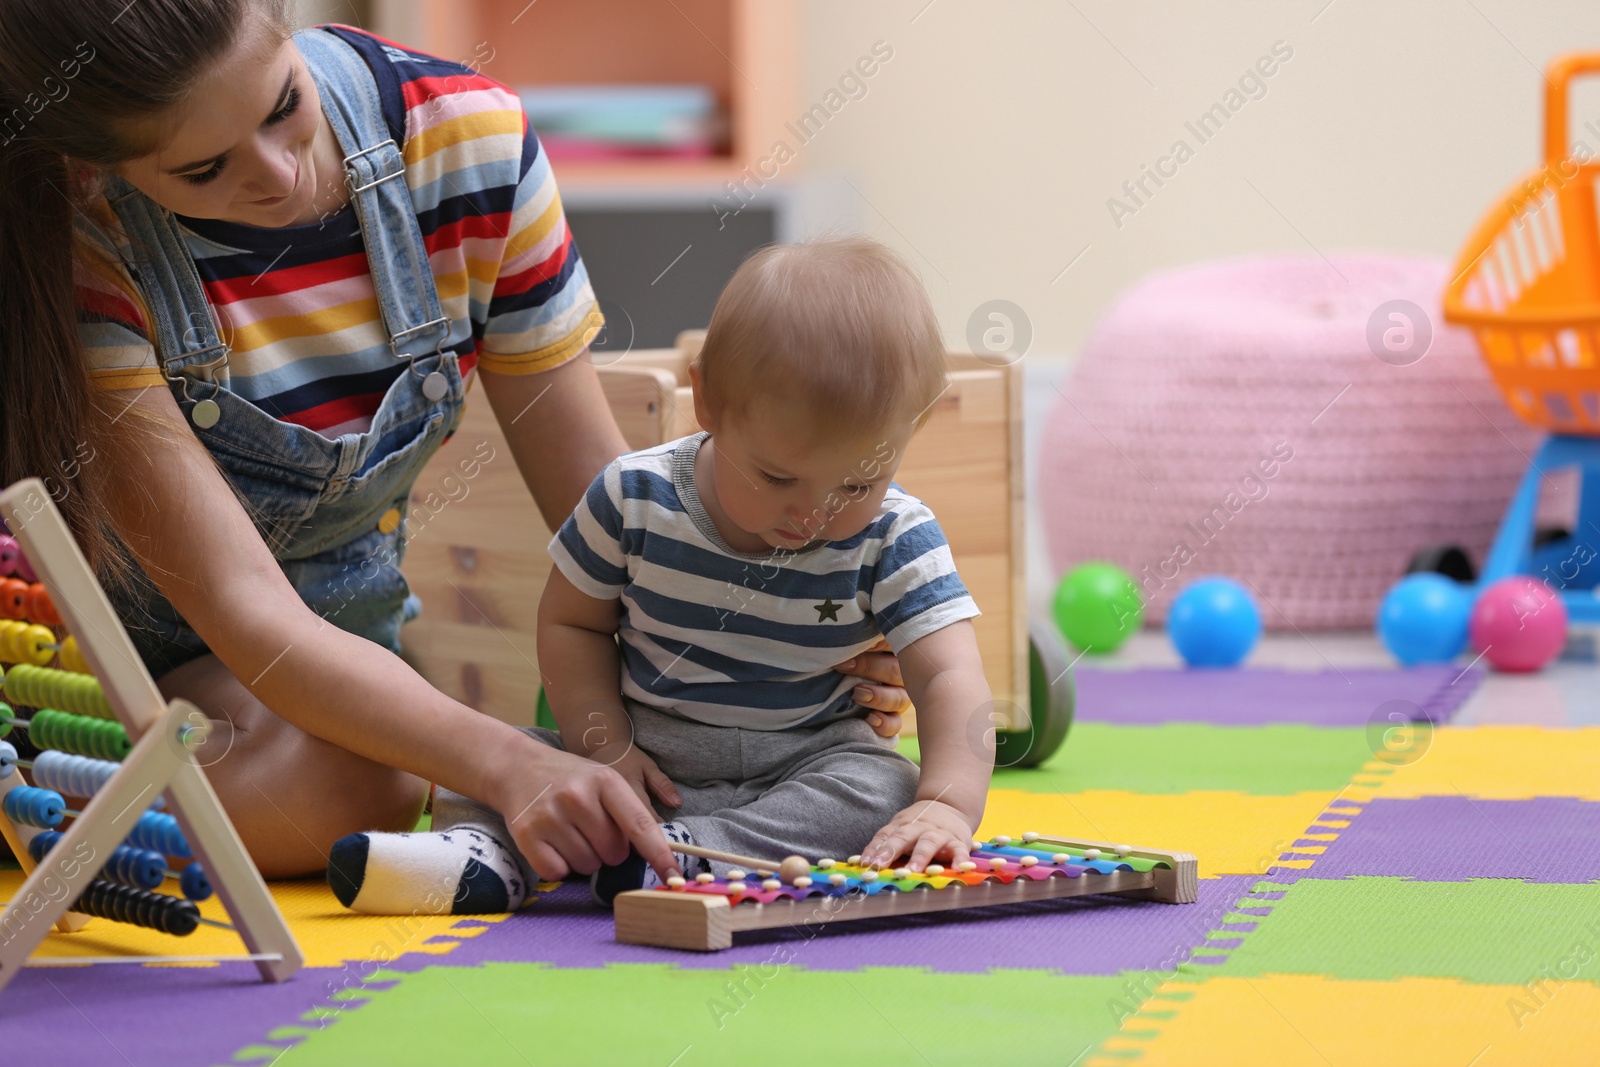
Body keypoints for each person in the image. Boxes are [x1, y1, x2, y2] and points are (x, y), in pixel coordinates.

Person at [0, 0, 907, 883]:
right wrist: (511, 764)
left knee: (384, 769)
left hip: (309, 665)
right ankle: (32, 801)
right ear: (90, 168)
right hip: (101, 664)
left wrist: (792, 643)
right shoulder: (82, 243)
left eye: (284, 105)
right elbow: (250, 615)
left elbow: (609, 517)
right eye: (203, 169)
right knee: (374, 782)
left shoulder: (469, 144)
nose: (278, 175)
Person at [329, 236, 996, 915]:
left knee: (884, 787)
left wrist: (945, 808)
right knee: (496, 756)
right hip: (648, 757)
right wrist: (603, 744)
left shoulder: (896, 533)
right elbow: (570, 621)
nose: (813, 513)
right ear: (706, 400)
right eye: (776, 477)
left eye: (858, 482)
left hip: (805, 762)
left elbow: (950, 674)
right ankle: (477, 857)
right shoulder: (634, 499)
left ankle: (691, 853)